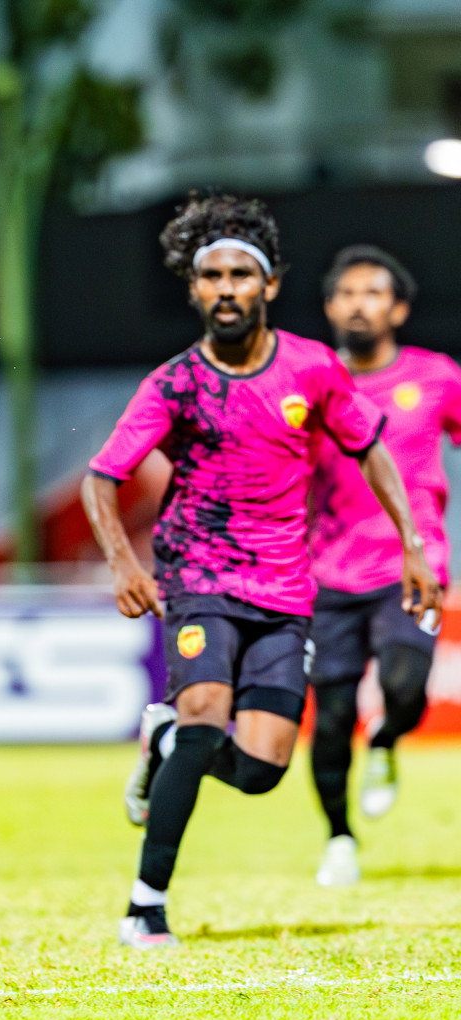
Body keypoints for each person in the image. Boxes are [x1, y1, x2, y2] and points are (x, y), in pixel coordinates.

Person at [79, 192, 440, 949]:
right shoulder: (174, 384)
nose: (227, 288)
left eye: (242, 274)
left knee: (263, 768)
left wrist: (412, 542)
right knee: (207, 713)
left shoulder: (313, 369)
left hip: (285, 588)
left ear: (269, 286)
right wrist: (123, 563)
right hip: (200, 575)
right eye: (212, 276)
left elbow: (370, 446)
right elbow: (102, 477)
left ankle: (164, 748)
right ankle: (146, 906)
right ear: (194, 288)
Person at [306, 246, 461, 887]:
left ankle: (389, 740)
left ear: (397, 307)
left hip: (412, 568)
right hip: (326, 574)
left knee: (403, 690)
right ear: (329, 307)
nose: (359, 304)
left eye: (373, 293)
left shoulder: (438, 376)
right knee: (333, 714)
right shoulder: (311, 382)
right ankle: (339, 838)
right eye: (347, 293)